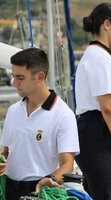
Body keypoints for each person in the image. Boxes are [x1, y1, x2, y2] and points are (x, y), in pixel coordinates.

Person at [0, 48, 80, 200]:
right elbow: (7, 153)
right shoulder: (12, 111)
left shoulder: (64, 115)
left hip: (40, 191)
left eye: (20, 77)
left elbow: (67, 165)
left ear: (40, 76)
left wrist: (52, 180)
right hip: (9, 190)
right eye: (13, 76)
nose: (14, 82)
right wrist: (2, 160)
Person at [75, 2, 111, 200]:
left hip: (95, 132)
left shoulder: (99, 56)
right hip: (99, 133)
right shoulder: (100, 58)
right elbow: (108, 107)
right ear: (107, 24)